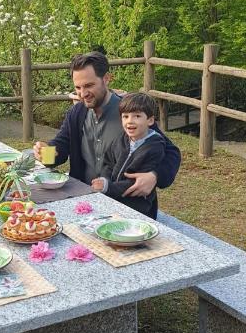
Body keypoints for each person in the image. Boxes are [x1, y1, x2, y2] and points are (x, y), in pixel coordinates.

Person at [33, 52, 181, 196]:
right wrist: (46, 154)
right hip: (82, 196)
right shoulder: (76, 113)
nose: (83, 93)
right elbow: (62, 146)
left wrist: (154, 176)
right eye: (78, 87)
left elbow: (171, 152)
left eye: (89, 85)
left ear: (106, 79)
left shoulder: (130, 113)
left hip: (125, 203)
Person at [91, 92, 173, 218]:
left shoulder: (154, 147)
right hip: (114, 203)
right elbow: (108, 162)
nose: (130, 121)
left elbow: (136, 183)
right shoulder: (121, 139)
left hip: (139, 209)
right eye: (125, 116)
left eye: (137, 116)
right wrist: (104, 179)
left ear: (150, 120)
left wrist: (108, 187)